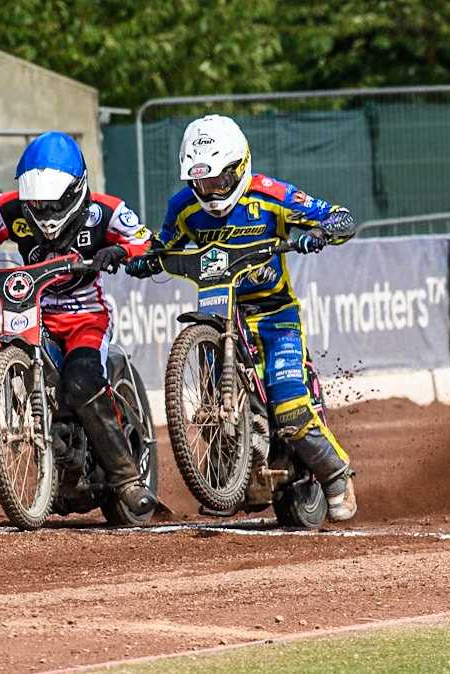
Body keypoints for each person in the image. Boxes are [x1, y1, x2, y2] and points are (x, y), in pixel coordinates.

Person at [127, 114, 358, 522]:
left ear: (239, 167)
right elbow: (161, 245)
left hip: (273, 316)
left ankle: (335, 474)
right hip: (219, 319)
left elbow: (339, 216)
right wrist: (143, 258)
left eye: (219, 180)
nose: (211, 191)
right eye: (201, 183)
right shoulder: (182, 208)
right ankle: (229, 475)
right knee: (214, 404)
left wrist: (320, 233)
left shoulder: (270, 195)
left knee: (289, 405)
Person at [0, 131, 157, 525]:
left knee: (81, 382)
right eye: (37, 205)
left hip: (86, 318)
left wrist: (120, 250)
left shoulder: (106, 211)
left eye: (54, 204)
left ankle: (127, 479)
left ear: (77, 190)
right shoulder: (8, 208)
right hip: (31, 314)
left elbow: (148, 242)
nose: (46, 213)